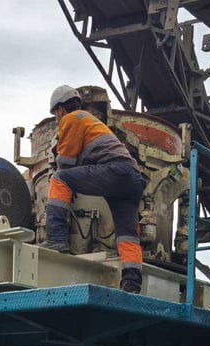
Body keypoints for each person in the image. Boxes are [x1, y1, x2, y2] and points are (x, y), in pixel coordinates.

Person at [45, 85, 146, 294]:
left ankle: (56, 240)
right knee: (127, 234)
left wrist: (68, 186)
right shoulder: (91, 122)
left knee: (58, 180)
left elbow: (65, 163)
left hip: (115, 172)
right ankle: (132, 282)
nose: (57, 118)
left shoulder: (72, 119)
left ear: (61, 109)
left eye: (55, 113)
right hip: (132, 178)